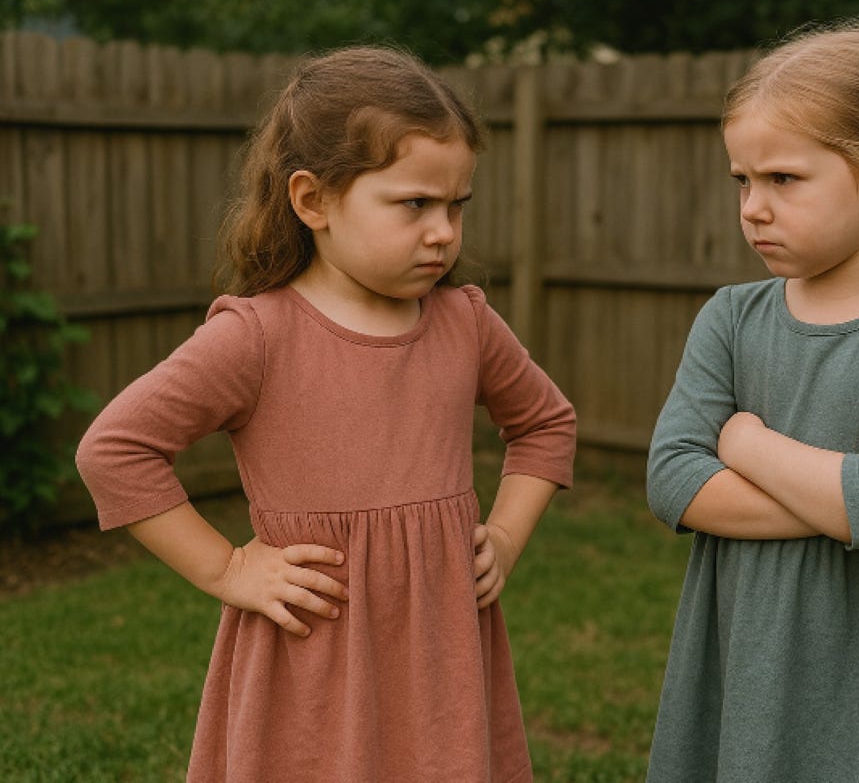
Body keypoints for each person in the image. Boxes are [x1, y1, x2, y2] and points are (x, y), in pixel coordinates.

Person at [75, 45, 576, 782]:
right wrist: (227, 567)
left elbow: (544, 424)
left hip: (439, 655)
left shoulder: (464, 322)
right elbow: (114, 450)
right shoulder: (254, 337)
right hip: (311, 653)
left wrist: (502, 536)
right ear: (313, 201)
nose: (442, 230)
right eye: (413, 204)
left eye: (456, 205)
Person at [645, 18, 859, 781]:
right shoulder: (731, 318)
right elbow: (672, 478)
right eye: (743, 180)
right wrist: (846, 491)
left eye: (784, 180)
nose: (753, 207)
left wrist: (745, 446)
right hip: (748, 643)